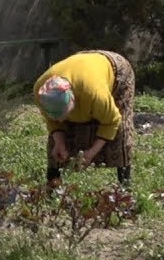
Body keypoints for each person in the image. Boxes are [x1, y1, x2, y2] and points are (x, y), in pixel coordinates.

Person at [34, 50, 136, 187]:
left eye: (62, 114)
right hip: (80, 66)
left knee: (120, 132)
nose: (59, 121)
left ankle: (125, 189)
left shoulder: (94, 94)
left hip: (114, 68)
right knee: (56, 142)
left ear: (73, 99)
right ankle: (53, 190)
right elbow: (52, 121)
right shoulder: (40, 91)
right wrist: (59, 142)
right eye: (55, 116)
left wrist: (91, 153)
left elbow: (112, 121)